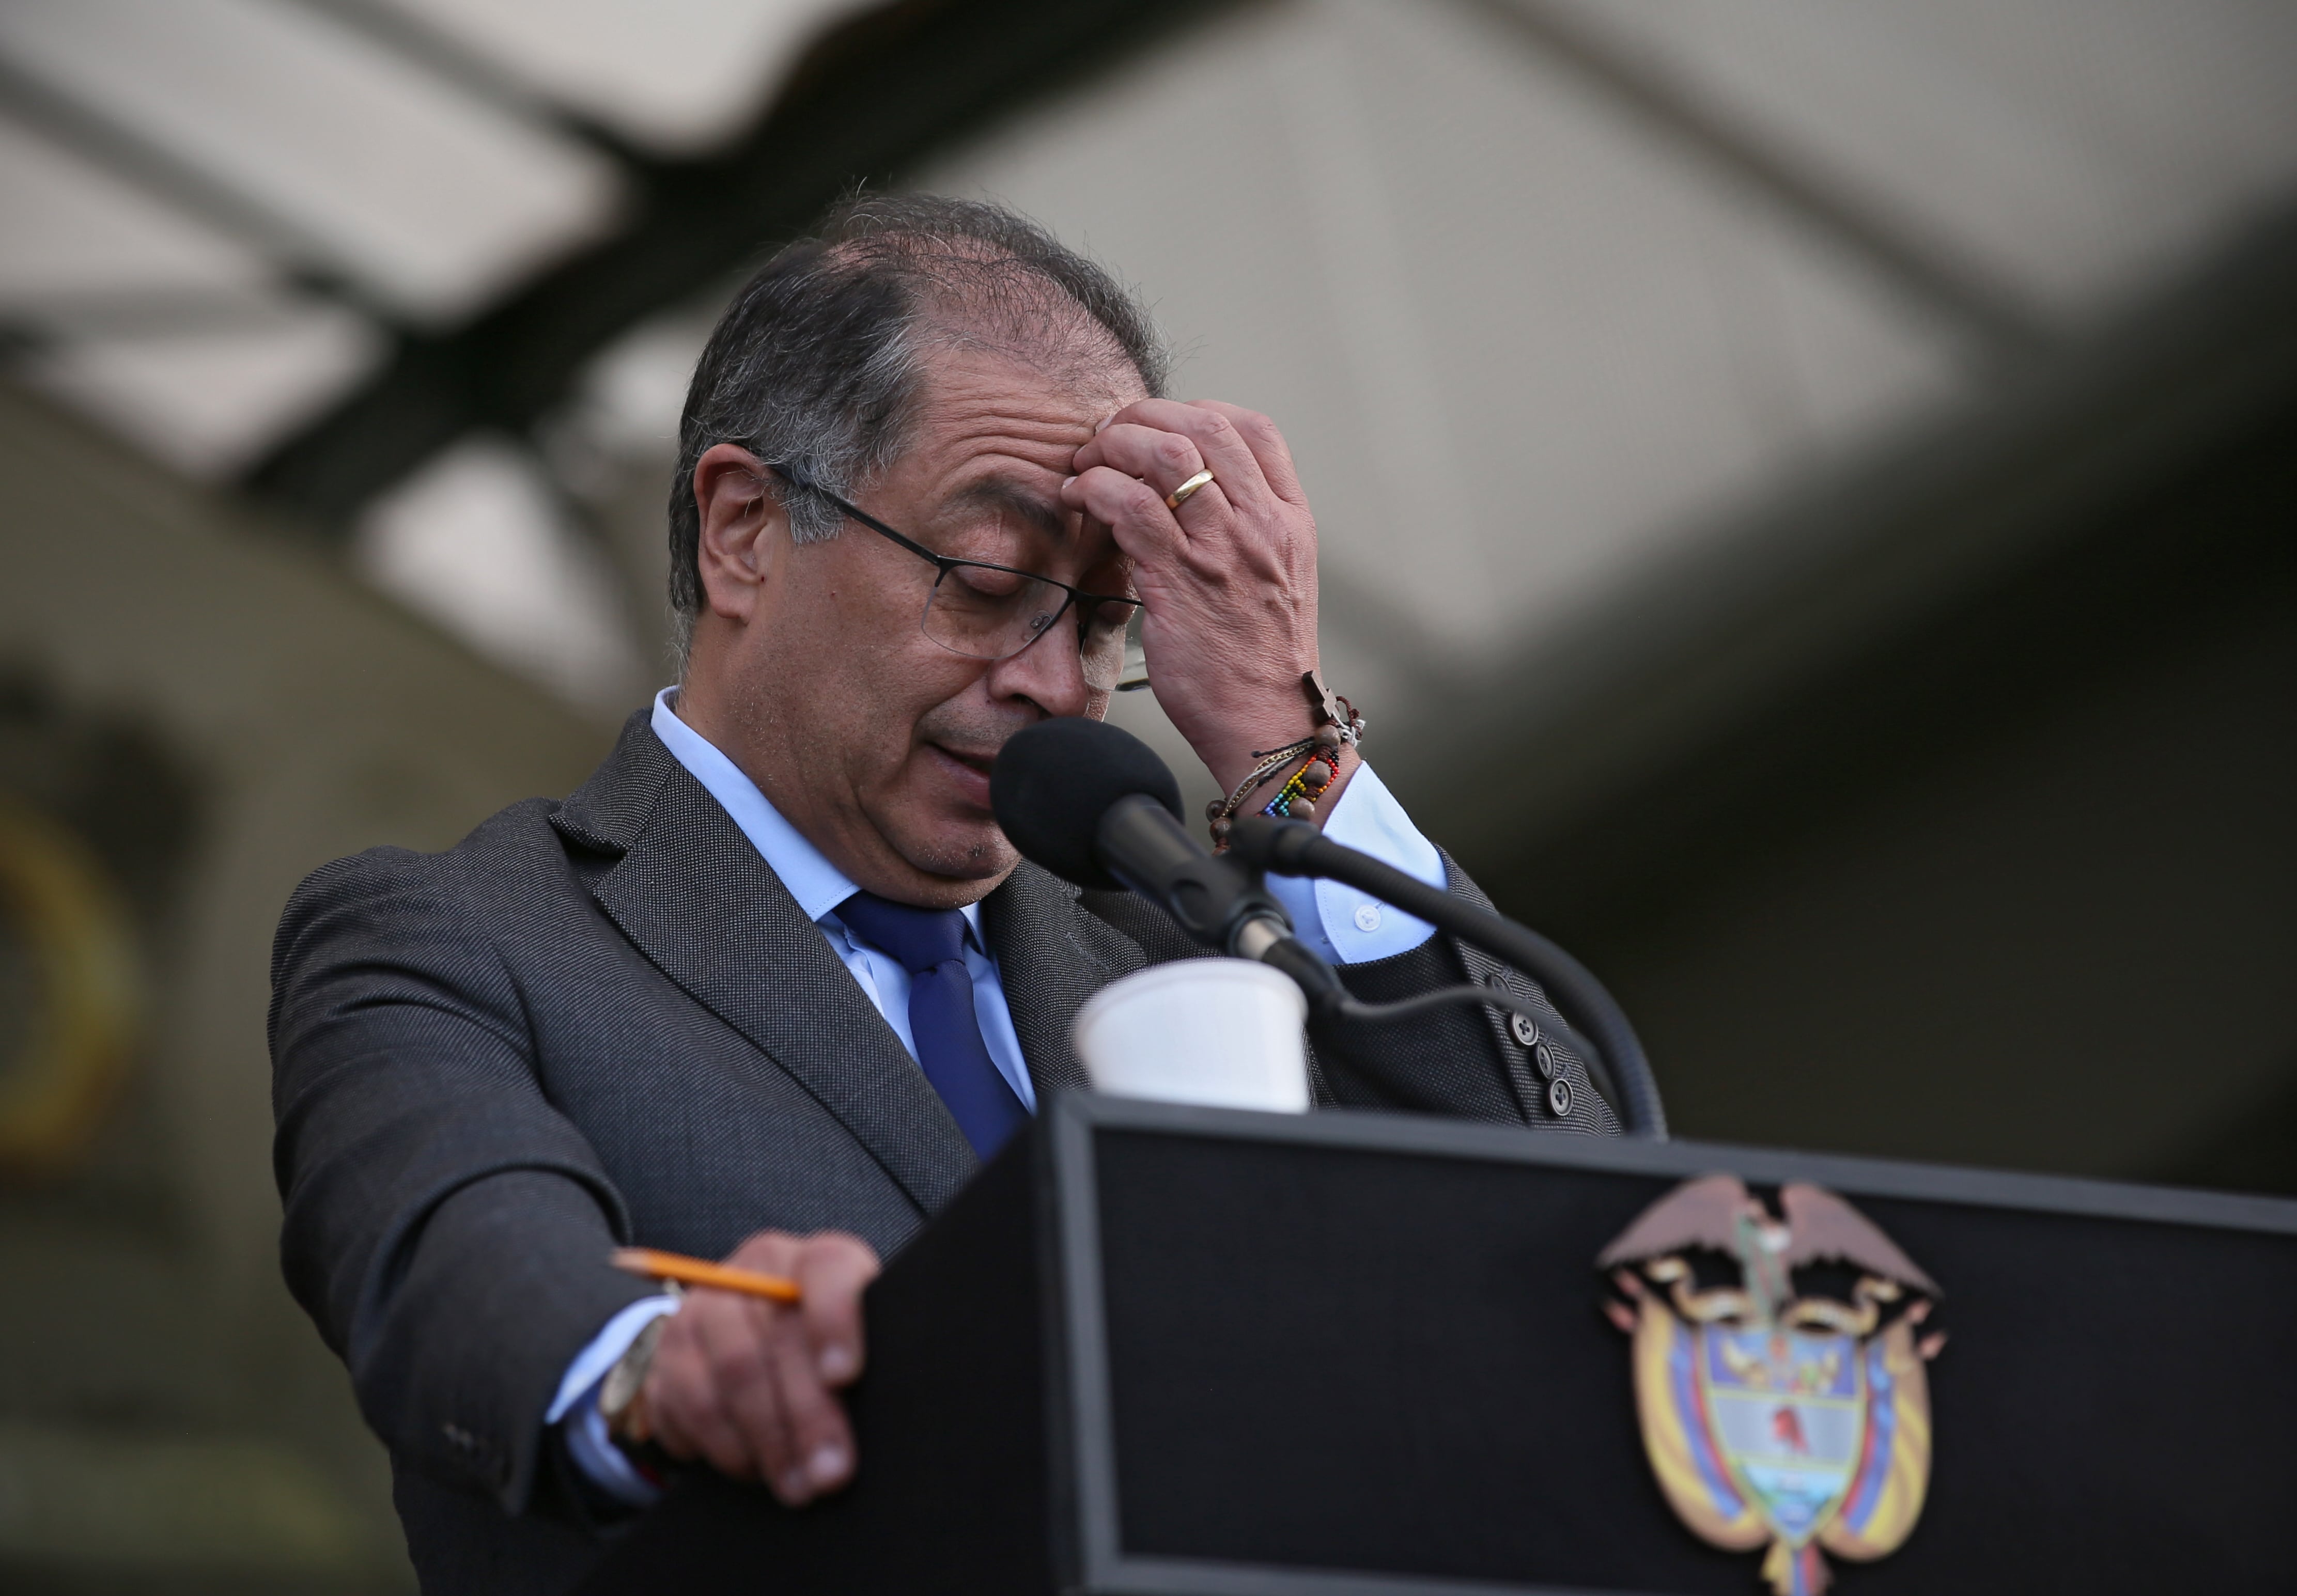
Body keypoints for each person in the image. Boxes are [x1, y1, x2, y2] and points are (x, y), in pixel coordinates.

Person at [270, 195, 1618, 1595]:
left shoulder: (1179, 942)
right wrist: (662, 1371)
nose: (1055, 682)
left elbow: (1579, 1246)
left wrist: (1291, 742)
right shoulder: (458, 939)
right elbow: (459, 1264)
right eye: (985, 583)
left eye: (1108, 621)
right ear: (744, 529)